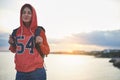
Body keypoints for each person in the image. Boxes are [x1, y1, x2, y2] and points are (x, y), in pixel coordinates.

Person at [8, 3, 50, 80]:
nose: (26, 15)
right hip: (20, 73)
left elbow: (47, 51)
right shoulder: (16, 32)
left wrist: (40, 44)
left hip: (37, 72)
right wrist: (11, 44)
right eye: (24, 12)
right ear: (21, 15)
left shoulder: (39, 31)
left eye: (29, 13)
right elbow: (14, 50)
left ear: (33, 15)